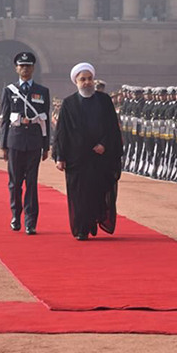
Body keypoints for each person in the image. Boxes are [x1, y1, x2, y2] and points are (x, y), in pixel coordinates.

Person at [54, 62, 123, 241]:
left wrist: (104, 145)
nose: (87, 82)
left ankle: (94, 221)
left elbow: (112, 128)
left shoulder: (104, 100)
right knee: (79, 195)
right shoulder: (69, 104)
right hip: (77, 158)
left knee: (98, 192)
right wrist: (60, 156)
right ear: (76, 82)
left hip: (100, 157)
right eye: (82, 79)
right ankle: (81, 229)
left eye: (89, 79)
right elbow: (62, 131)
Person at [0, 52, 51, 235]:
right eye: (22, 66)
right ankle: (15, 215)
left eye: (28, 65)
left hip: (35, 142)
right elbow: (4, 119)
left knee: (31, 183)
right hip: (15, 141)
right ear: (16, 68)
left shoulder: (42, 91)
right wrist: (3, 145)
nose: (25, 69)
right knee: (14, 183)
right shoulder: (9, 91)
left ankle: (30, 221)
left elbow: (45, 121)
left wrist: (46, 145)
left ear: (33, 68)